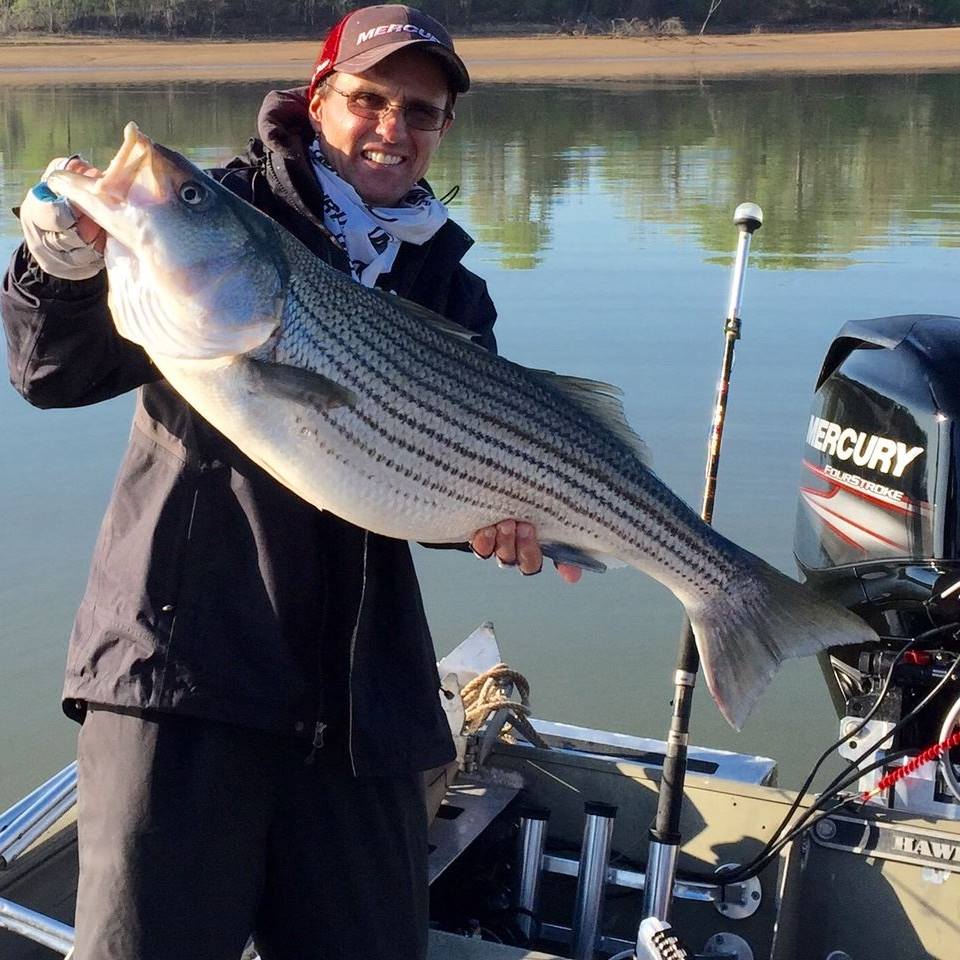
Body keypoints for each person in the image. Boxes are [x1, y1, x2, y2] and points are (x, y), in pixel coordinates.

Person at [2, 5, 578, 959]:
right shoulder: (221, 212)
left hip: (365, 707)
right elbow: (51, 372)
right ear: (319, 101)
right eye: (369, 99)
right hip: (181, 675)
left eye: (421, 112)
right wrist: (60, 263)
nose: (393, 127)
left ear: (443, 131)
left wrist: (497, 520)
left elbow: (424, 479)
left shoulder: (448, 280)